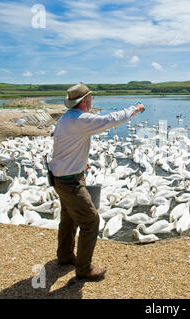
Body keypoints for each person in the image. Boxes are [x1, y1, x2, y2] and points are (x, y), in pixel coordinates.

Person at [49, 82, 144, 281]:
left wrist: (80, 163)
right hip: (70, 181)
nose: (92, 101)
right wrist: (134, 109)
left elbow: (65, 147)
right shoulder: (80, 119)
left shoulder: (66, 119)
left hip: (59, 177)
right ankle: (84, 269)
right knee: (91, 221)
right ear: (85, 101)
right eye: (91, 98)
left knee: (68, 218)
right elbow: (110, 119)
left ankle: (65, 256)